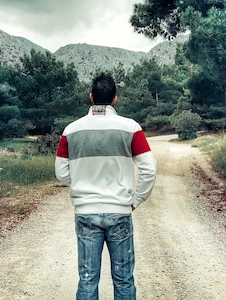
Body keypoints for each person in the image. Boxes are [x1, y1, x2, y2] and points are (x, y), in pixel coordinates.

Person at [55, 72, 157, 300]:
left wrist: (83, 180)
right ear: (115, 99)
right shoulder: (130, 127)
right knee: (123, 279)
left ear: (91, 97)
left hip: (85, 212)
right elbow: (149, 169)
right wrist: (136, 199)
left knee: (88, 278)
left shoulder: (71, 130)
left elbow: (61, 173)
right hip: (119, 211)